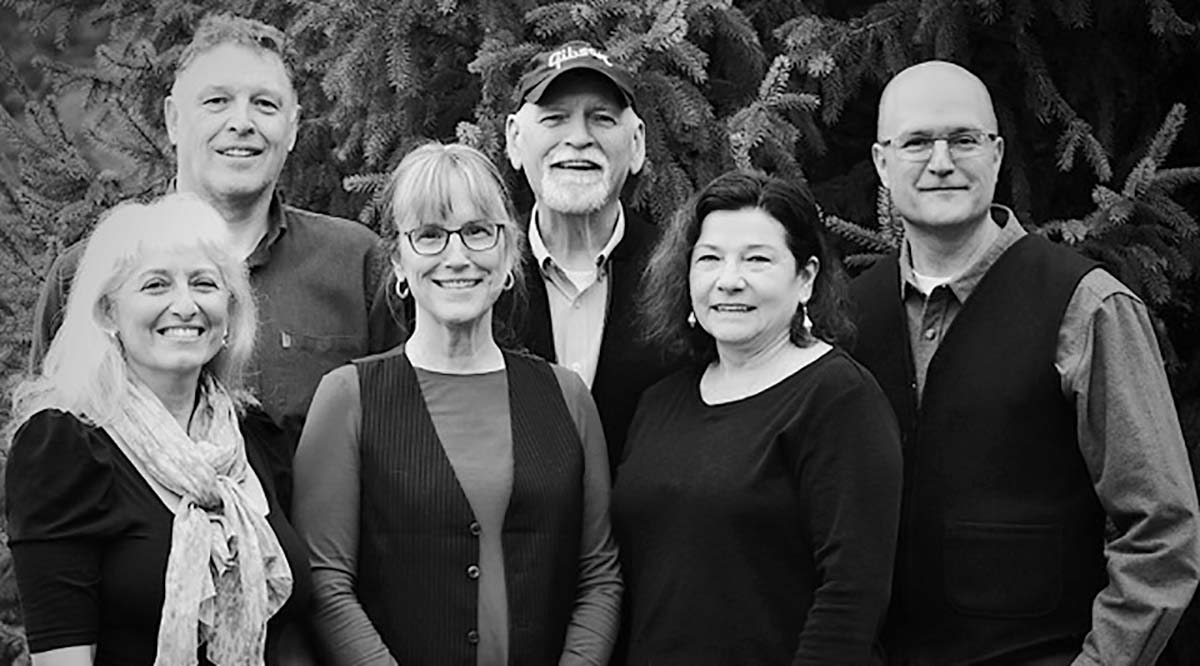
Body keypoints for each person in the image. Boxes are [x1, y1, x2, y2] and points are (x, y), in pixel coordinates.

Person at [850, 59, 1200, 664]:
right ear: (883, 163)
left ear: (997, 154)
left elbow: (1162, 530)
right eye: (917, 142)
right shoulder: (848, 316)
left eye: (963, 139)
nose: (941, 162)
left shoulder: (1086, 307)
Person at [29, 14, 404, 497]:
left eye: (265, 104)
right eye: (216, 101)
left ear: (292, 128)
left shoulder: (357, 263)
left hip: (312, 547)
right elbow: (46, 466)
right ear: (173, 120)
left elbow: (400, 447)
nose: (241, 123)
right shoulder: (90, 274)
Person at [292, 143, 621, 665]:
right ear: (399, 262)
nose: (457, 256)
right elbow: (326, 582)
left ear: (508, 255)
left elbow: (599, 575)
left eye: (477, 231)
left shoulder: (567, 397)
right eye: (429, 235)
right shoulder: (348, 398)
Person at [5, 194, 311, 665]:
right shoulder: (64, 446)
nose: (185, 305)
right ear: (108, 313)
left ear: (229, 313)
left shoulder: (253, 437)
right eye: (156, 285)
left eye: (204, 283)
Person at [612, 171, 903, 665]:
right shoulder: (660, 401)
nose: (729, 280)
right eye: (709, 259)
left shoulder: (838, 398)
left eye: (757, 259)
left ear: (805, 278)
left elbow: (851, 594)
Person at [503, 41, 676, 473]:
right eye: (554, 118)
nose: (579, 138)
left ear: (636, 144)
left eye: (601, 118)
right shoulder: (478, 275)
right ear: (515, 141)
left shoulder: (682, 274)